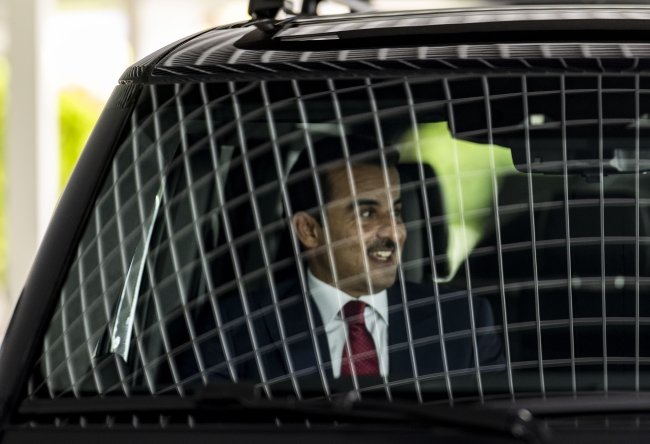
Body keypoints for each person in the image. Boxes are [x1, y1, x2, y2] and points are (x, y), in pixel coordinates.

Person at [196, 134, 503, 393]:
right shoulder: (234, 329)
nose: (395, 232)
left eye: (396, 211)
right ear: (309, 230)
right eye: (367, 214)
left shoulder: (463, 324)